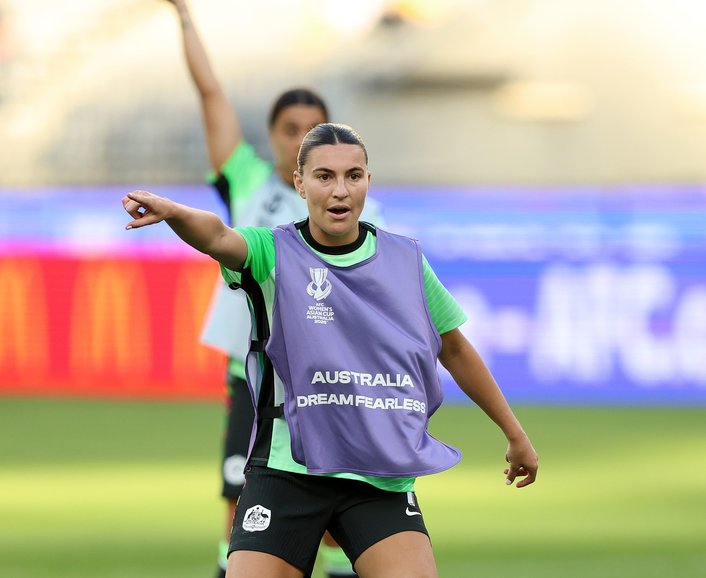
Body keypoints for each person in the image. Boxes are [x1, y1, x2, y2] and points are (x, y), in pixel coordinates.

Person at [122, 122, 539, 578]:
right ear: (300, 183)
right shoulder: (272, 252)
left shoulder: (405, 261)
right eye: (324, 177)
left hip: (376, 473)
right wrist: (175, 213)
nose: (340, 191)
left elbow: (455, 350)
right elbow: (219, 236)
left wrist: (515, 433)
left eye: (353, 176)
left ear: (368, 181)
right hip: (286, 471)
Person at [161, 2, 383, 576]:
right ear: (273, 136)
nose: (298, 140)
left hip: (326, 381)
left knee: (338, 514)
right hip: (255, 376)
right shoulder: (248, 180)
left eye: (310, 130)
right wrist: (184, 17)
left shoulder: (353, 207)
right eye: (289, 130)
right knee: (240, 508)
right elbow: (211, 94)